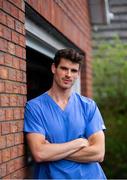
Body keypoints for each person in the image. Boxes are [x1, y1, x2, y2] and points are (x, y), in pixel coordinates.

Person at [24, 48, 106, 179]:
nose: (68, 74)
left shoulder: (88, 106)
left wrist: (52, 150)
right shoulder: (34, 108)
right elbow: (39, 153)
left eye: (73, 70)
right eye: (64, 68)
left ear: (78, 74)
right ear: (53, 68)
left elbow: (99, 153)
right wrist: (78, 143)